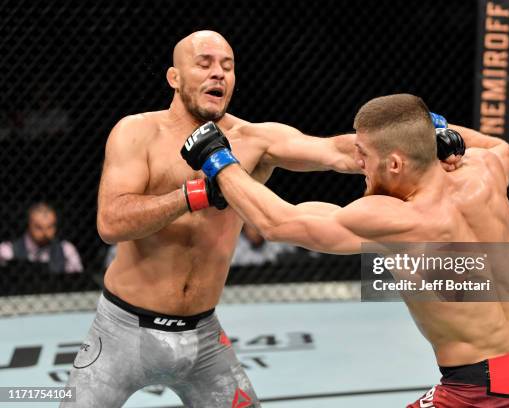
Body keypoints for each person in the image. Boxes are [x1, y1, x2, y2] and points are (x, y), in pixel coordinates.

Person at [65, 30, 456, 407]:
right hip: (121, 331)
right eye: (204, 64)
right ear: (175, 77)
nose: (219, 73)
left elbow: (339, 152)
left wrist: (421, 140)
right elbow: (111, 223)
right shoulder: (136, 133)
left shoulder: (253, 141)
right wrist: (194, 194)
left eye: (227, 65)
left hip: (202, 337)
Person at [186, 94, 509, 407]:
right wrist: (437, 127)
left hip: (480, 395)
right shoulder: (485, 171)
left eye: (363, 154)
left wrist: (217, 159)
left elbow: (279, 224)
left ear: (394, 163)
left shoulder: (400, 220)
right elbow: (499, 147)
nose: (357, 162)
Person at [0, 202, 83, 273]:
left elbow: (77, 278)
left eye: (50, 227)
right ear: (28, 225)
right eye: (38, 227)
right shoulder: (7, 250)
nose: (45, 232)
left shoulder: (66, 249)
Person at [231, 223, 297, 266]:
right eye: (251, 226)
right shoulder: (235, 244)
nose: (255, 230)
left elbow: (294, 253)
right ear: (244, 227)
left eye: (257, 226)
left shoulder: (275, 239)